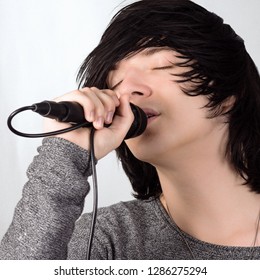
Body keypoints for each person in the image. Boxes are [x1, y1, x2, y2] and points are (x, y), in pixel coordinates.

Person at [0, 0, 260, 260]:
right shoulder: (104, 240)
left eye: (160, 65)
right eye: (114, 80)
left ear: (228, 93)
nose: (126, 90)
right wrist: (63, 154)